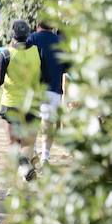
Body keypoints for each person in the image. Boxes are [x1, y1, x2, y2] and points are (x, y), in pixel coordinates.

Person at [0, 18, 43, 181]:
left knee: (13, 144)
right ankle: (24, 173)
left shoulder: (6, 53)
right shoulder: (38, 51)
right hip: (32, 103)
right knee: (27, 144)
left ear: (12, 34)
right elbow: (43, 76)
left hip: (10, 104)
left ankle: (21, 170)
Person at [28, 19, 68, 164]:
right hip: (54, 87)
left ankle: (31, 151)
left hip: (33, 87)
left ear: (38, 25)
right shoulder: (60, 41)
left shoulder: (31, 38)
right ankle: (45, 155)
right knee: (48, 123)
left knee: (32, 122)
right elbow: (67, 66)